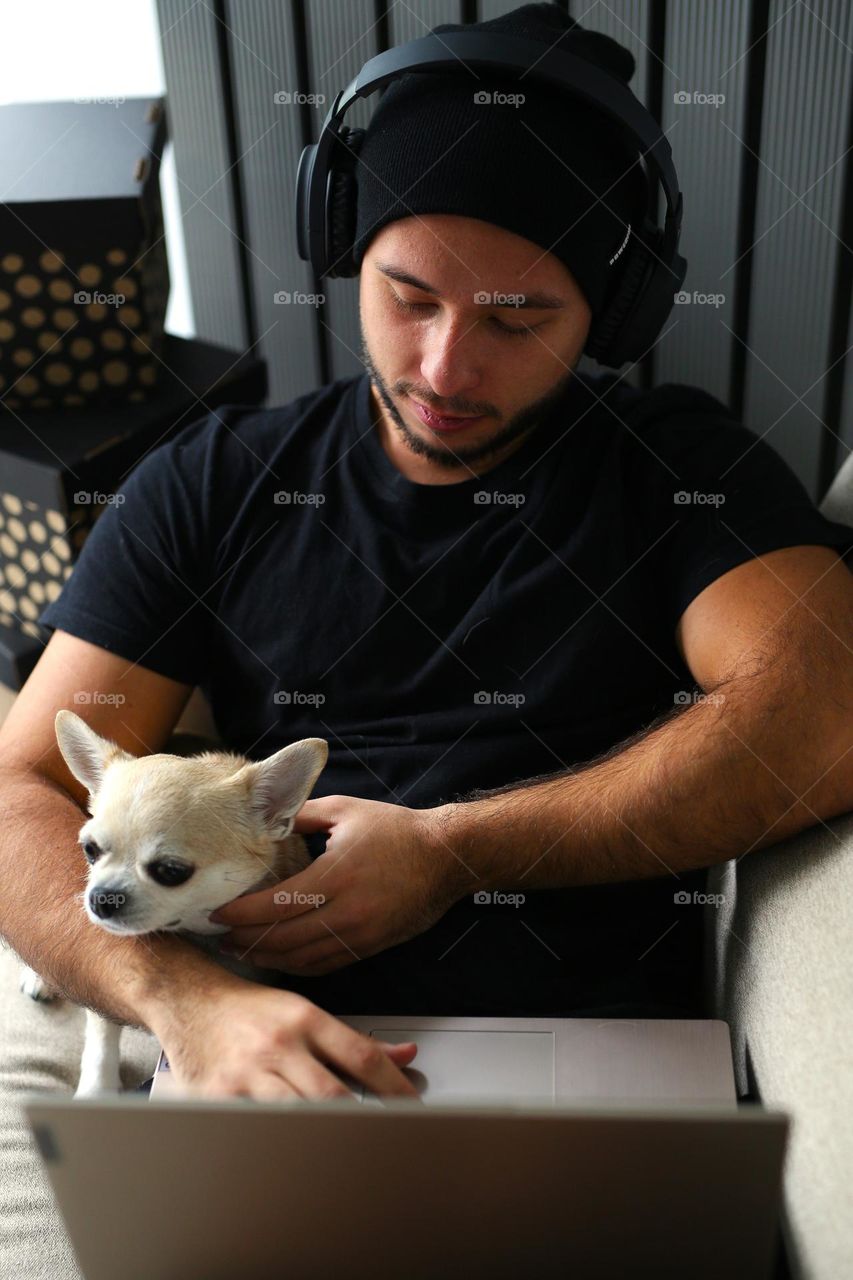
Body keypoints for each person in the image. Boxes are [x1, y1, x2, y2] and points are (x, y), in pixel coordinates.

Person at [1, 3, 852, 1104]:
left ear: (614, 311)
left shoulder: (678, 469)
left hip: (570, 1059)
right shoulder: (210, 478)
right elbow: (21, 783)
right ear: (345, 248)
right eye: (409, 297)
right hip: (260, 1038)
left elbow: (826, 708)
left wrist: (458, 851)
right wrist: (190, 1000)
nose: (446, 367)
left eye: (514, 321)